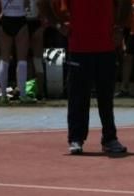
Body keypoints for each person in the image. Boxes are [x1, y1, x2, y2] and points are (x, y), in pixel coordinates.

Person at [42, 0, 129, 155]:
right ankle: (76, 138)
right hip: (79, 46)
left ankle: (110, 138)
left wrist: (120, 28)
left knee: (106, 97)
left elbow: (126, 3)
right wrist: (58, 25)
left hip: (105, 45)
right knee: (78, 96)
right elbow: (43, 4)